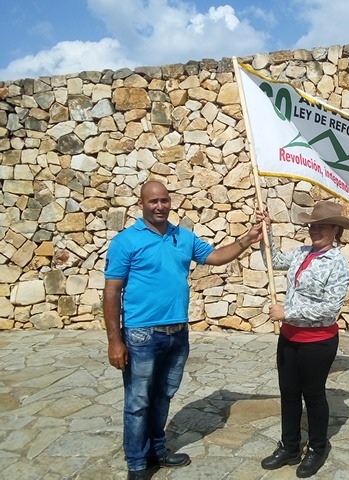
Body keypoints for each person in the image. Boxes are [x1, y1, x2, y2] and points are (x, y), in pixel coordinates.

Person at [103, 180, 264, 480]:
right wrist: (115, 340)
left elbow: (215, 257)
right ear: (141, 205)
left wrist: (247, 239)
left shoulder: (183, 237)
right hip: (141, 335)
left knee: (163, 395)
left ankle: (158, 450)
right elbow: (112, 292)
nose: (160, 206)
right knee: (138, 402)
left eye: (164, 200)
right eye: (153, 202)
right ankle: (137, 465)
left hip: (178, 332)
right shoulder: (125, 242)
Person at [259, 200, 349, 478]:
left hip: (318, 341)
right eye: (312, 226)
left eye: (321, 227)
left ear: (336, 230)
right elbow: (273, 261)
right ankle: (289, 446)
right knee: (289, 394)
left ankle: (317, 448)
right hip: (289, 337)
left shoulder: (338, 265)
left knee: (313, 396)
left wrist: (288, 311)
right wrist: (268, 230)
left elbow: (329, 308)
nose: (315, 231)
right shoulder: (302, 253)